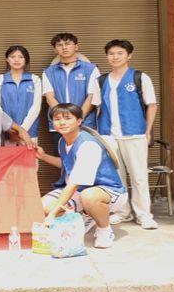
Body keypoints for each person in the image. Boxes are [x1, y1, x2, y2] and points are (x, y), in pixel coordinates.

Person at [36, 103, 128, 249]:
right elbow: (68, 164)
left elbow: (75, 182)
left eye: (68, 118)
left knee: (88, 197)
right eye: (57, 119)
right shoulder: (63, 140)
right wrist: (43, 156)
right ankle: (86, 216)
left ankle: (104, 229)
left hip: (107, 191)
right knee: (44, 205)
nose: (62, 122)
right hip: (80, 189)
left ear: (79, 121)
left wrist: (52, 215)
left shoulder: (88, 145)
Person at [92, 39, 158, 229]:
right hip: (109, 135)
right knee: (116, 177)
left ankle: (144, 214)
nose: (115, 57)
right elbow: (97, 108)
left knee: (139, 176)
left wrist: (148, 131)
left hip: (134, 133)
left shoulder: (140, 77)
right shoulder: (101, 81)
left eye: (120, 53)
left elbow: (152, 105)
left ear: (129, 55)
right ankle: (122, 211)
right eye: (111, 53)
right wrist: (98, 136)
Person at [42, 33, 100, 156]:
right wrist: (65, 119)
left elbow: (92, 96)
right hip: (59, 125)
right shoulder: (48, 72)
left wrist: (77, 119)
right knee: (62, 160)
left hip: (85, 124)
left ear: (76, 47)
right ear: (55, 49)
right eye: (60, 45)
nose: (64, 47)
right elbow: (49, 97)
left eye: (68, 44)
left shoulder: (91, 69)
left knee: (87, 158)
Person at [0, 46, 42, 145]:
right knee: (7, 155)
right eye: (12, 57)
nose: (16, 60)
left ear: (26, 60)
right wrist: (9, 128)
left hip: (29, 131)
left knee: (30, 155)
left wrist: (22, 130)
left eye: (20, 57)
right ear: (7, 59)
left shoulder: (35, 79)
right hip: (7, 132)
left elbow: (36, 107)